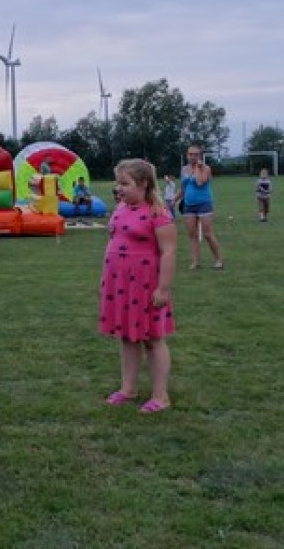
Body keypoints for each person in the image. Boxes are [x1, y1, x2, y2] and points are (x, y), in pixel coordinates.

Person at [99, 158, 177, 414]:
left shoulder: (158, 213)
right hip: (121, 285)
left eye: (124, 183)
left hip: (146, 286)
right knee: (126, 337)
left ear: (143, 183)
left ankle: (160, 396)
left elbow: (169, 252)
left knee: (153, 339)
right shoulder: (121, 207)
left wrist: (163, 289)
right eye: (117, 182)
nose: (118, 188)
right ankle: (128, 389)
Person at [176, 145, 224, 270]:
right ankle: (195, 262)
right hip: (188, 205)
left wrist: (198, 168)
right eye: (190, 154)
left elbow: (200, 182)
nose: (193, 157)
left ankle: (219, 260)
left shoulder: (206, 168)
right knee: (192, 234)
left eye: (196, 154)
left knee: (208, 234)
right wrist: (172, 201)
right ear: (187, 155)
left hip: (204, 204)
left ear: (200, 156)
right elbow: (183, 188)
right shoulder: (184, 169)